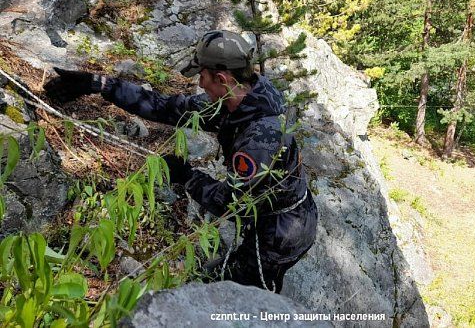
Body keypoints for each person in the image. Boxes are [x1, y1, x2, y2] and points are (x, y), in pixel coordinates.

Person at [44, 30, 318, 293]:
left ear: (221, 78)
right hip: (273, 219)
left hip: (280, 233)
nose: (200, 84)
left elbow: (231, 202)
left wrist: (186, 176)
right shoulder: (238, 101)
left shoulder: (259, 139)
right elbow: (165, 106)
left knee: (226, 292)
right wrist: (98, 84)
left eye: (203, 76)